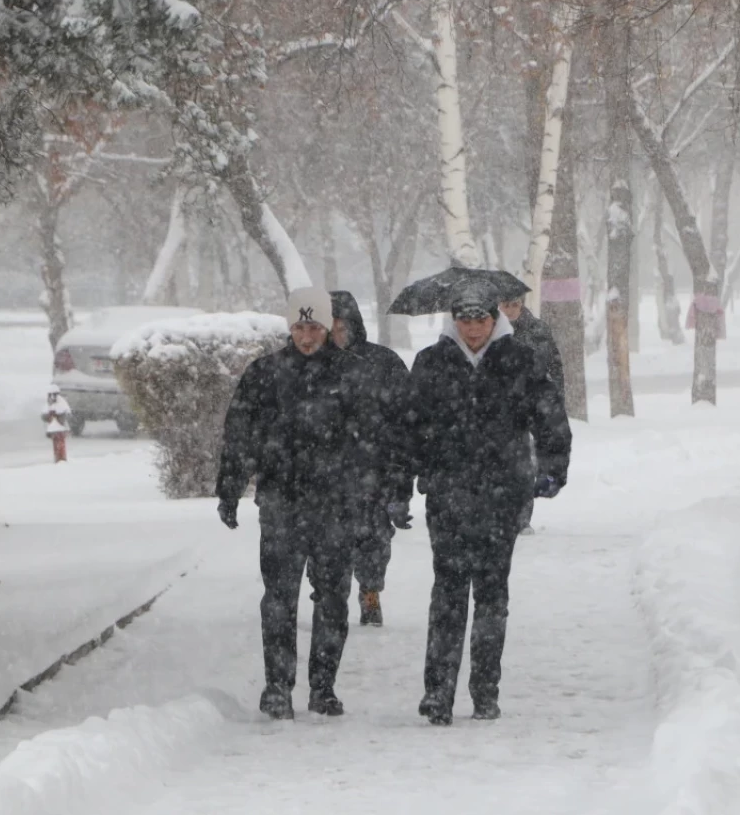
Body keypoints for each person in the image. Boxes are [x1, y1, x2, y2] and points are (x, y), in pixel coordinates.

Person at [216, 287, 408, 721]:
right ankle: (278, 687)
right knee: (279, 598)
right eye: (300, 327)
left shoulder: (352, 376)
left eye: (315, 327)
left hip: (337, 505)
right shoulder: (264, 373)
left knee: (333, 598)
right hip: (282, 501)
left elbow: (376, 441)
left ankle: (323, 687)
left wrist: (385, 491)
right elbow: (239, 435)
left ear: (328, 328)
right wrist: (229, 488)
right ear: (290, 327)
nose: (307, 336)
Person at [409, 280, 571, 726]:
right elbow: (407, 427)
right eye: (465, 319)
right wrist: (399, 483)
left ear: (494, 319)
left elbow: (550, 415)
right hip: (448, 493)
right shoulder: (431, 364)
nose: (473, 328)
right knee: (448, 592)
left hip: (503, 495)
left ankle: (485, 690)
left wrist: (553, 465)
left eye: (481, 319)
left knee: (491, 595)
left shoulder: (521, 359)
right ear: (453, 321)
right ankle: (438, 692)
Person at [327, 290, 413, 627]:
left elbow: (408, 424)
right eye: (328, 327)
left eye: (341, 327)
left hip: (375, 473)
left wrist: (402, 484)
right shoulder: (307, 367)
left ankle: (370, 591)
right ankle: (329, 597)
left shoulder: (383, 363)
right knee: (327, 544)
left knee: (374, 541)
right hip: (327, 475)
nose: (335, 335)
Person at [498, 295, 565, 536]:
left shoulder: (537, 330)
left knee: (525, 463)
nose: (510, 310)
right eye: (505, 305)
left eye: (514, 304)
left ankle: (521, 518)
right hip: (496, 408)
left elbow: (554, 366)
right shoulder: (488, 331)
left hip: (530, 406)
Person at [41, 385, 71, 463]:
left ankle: (61, 460)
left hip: (60, 429)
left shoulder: (61, 403)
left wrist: (57, 415)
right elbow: (44, 415)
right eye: (51, 395)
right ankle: (59, 460)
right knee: (57, 448)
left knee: (60, 448)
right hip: (54, 430)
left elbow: (66, 413)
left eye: (54, 395)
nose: (52, 397)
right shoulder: (49, 404)